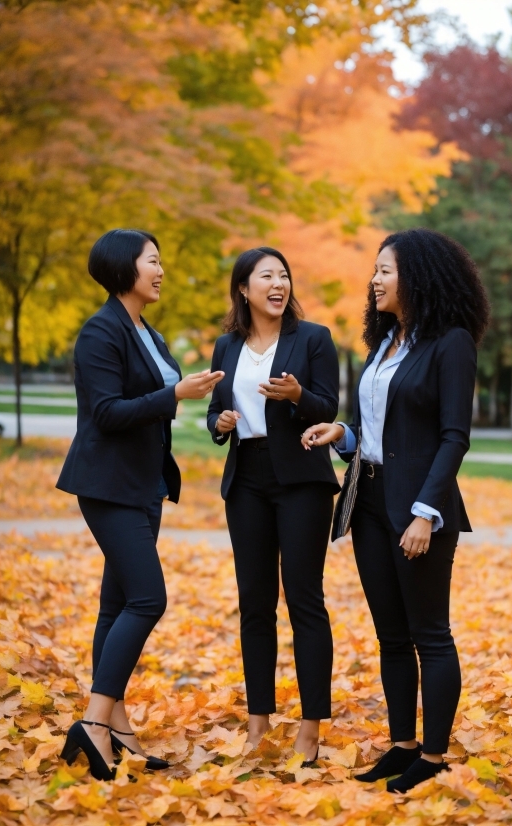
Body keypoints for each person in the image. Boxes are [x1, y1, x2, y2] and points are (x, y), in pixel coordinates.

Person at [301, 228, 490, 792]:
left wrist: (425, 512)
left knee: (430, 633)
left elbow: (454, 437)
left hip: (417, 509)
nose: (374, 279)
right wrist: (344, 433)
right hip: (369, 501)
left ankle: (433, 758)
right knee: (391, 635)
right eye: (375, 270)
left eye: (385, 269)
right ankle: (403, 745)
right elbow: (383, 432)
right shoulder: (385, 345)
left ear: (419, 276)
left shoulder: (451, 343)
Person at [57, 229, 224, 780]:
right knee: (148, 600)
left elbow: (148, 400)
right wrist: (175, 394)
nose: (160, 270)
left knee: (116, 606)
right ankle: (93, 721)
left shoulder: (144, 330)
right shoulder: (100, 331)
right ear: (122, 267)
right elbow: (106, 412)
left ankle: (117, 729)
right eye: (151, 261)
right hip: (107, 485)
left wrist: (183, 395)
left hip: (143, 484)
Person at [207, 247, 340, 764]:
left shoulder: (313, 339)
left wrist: (297, 395)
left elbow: (327, 406)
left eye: (283, 275)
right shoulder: (227, 346)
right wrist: (219, 423)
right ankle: (257, 723)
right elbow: (220, 411)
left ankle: (310, 727)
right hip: (247, 480)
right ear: (245, 288)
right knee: (254, 603)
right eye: (267, 276)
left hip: (302, 478)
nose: (278, 283)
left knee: (304, 599)